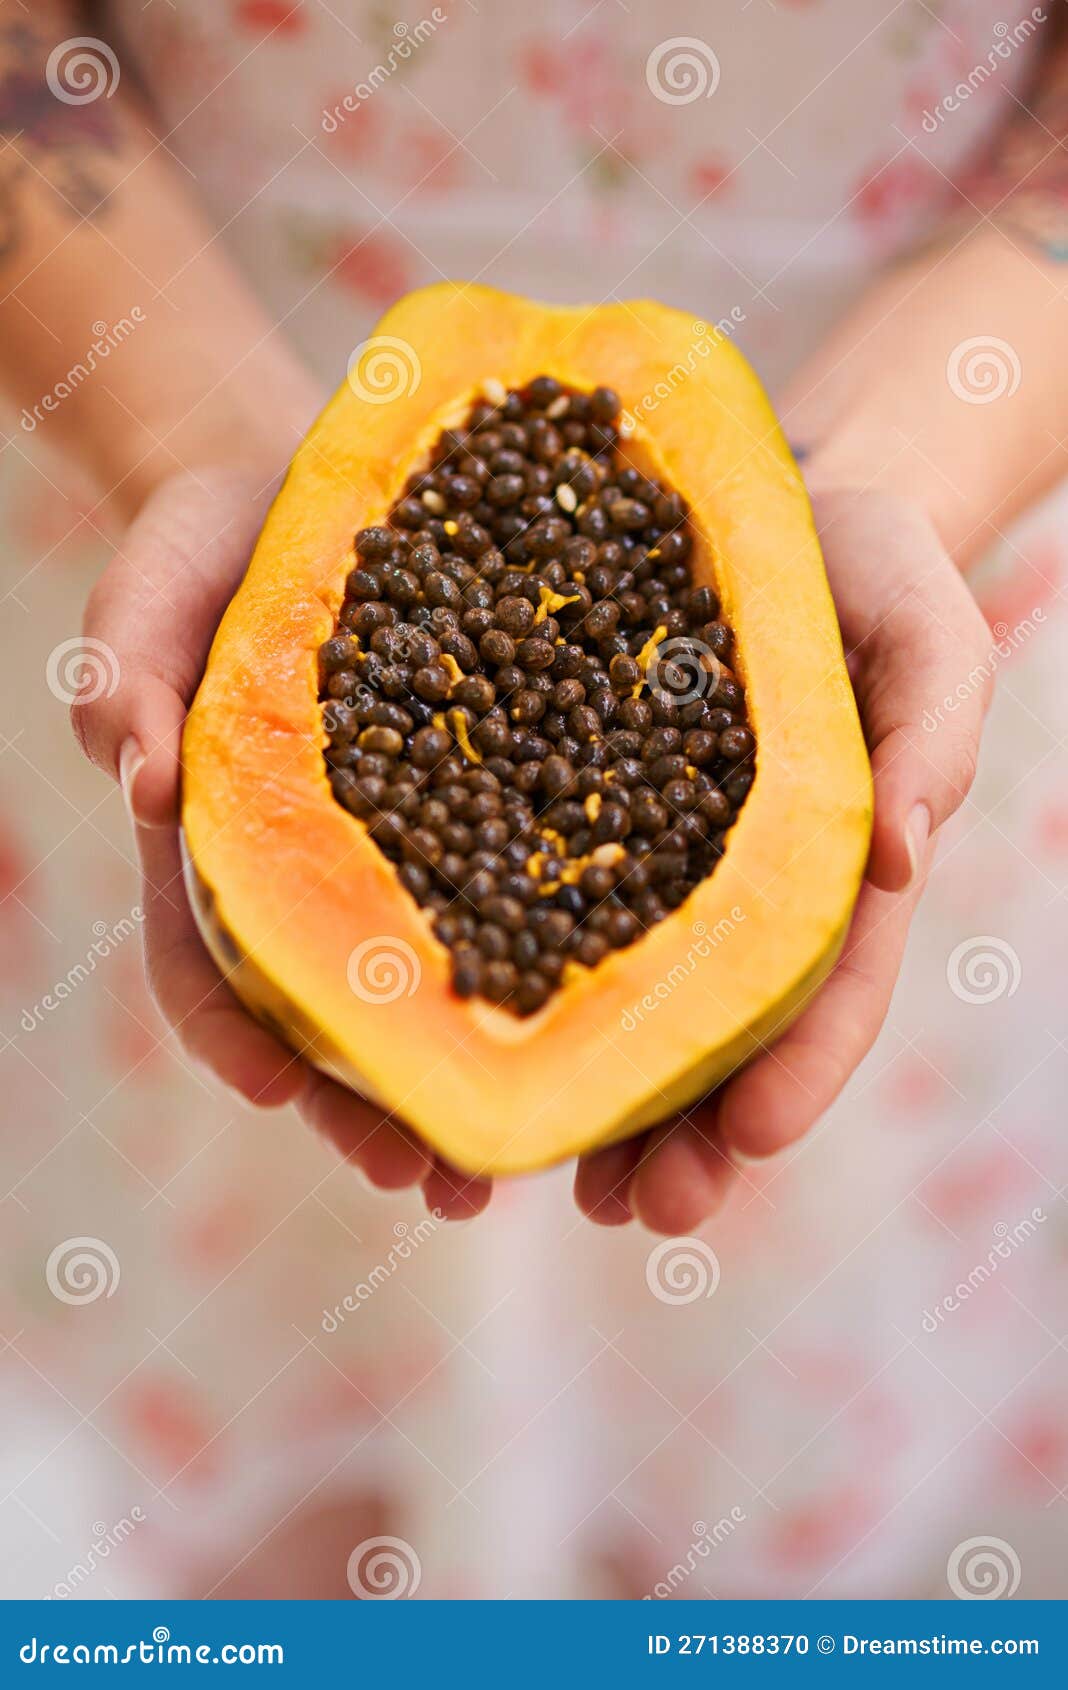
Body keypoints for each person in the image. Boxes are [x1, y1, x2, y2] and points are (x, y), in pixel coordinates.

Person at [0, 0, 1063, 1600]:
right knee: (257, 1427)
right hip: (164, 356)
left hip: (951, 434)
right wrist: (187, 429)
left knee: (731, 1439)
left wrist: (911, 465)